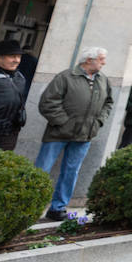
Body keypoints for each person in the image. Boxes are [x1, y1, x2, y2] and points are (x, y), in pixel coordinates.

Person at [35, 47, 113, 221]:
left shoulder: (103, 80)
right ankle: (31, 206)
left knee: (71, 171)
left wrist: (99, 121)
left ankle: (58, 208)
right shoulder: (65, 77)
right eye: (101, 59)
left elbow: (108, 103)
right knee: (42, 169)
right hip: (58, 134)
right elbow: (48, 102)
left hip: (84, 135)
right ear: (88, 60)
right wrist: (64, 122)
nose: (104, 63)